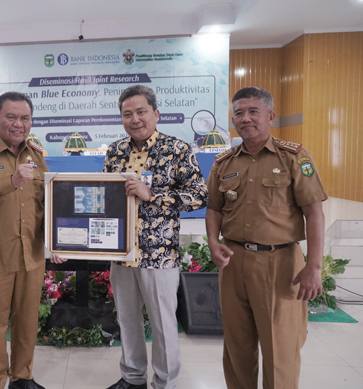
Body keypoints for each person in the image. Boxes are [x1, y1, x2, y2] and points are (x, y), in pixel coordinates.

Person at [205, 86, 327, 389]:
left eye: (253, 111)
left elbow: (314, 213)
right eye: (239, 113)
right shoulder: (224, 162)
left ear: (270, 116)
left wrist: (313, 266)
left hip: (280, 262)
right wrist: (212, 242)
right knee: (237, 347)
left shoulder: (294, 157)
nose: (245, 118)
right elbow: (214, 210)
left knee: (280, 350)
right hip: (234, 263)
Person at [104, 85, 208, 389]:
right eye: (127, 114)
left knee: (163, 325)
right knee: (127, 321)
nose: (135, 119)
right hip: (121, 251)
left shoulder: (177, 149)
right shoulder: (115, 151)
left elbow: (199, 196)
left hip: (159, 254)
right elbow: (106, 197)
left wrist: (154, 195)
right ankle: (133, 378)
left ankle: (164, 383)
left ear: (156, 113)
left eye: (141, 112)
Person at [0, 92, 63, 389]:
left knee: (27, 322)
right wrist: (10, 182)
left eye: (25, 118)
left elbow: (48, 202)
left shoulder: (36, 153)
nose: (18, 124)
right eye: (11, 116)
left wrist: (54, 242)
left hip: (30, 255)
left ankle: (22, 377)